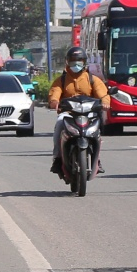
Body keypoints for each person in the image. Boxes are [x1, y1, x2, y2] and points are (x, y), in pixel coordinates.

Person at [47, 45, 110, 179]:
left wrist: (105, 102)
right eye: (73, 61)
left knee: (97, 132)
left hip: (89, 113)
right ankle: (57, 158)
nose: (76, 64)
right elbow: (54, 94)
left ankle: (97, 160)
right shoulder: (61, 80)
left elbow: (103, 94)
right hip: (68, 113)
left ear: (84, 62)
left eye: (79, 61)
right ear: (67, 62)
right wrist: (54, 101)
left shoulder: (92, 79)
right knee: (59, 125)